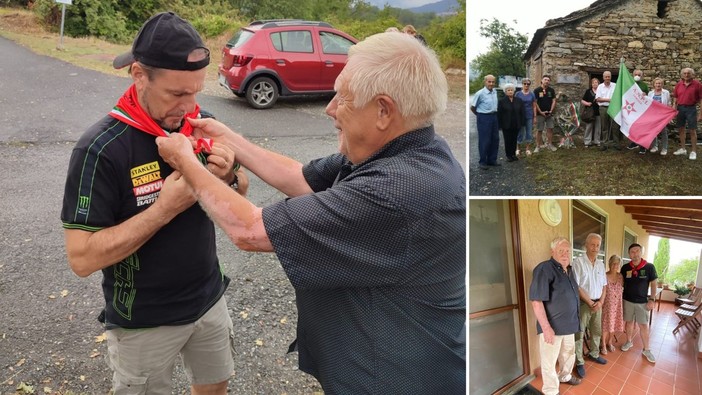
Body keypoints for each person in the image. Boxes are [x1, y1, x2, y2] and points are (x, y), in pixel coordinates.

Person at [155, 32, 466, 394]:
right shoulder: (405, 150)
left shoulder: (400, 191)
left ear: (383, 111)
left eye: (343, 98)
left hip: (394, 379)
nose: (330, 108)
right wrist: (229, 137)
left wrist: (185, 161)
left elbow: (250, 230)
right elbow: (301, 177)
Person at [60, 12, 246, 394]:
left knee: (215, 387)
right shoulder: (100, 149)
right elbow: (81, 258)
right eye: (177, 94)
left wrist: (228, 177)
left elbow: (240, 192)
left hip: (209, 299)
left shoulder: (198, 123)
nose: (189, 106)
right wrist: (164, 209)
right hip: (143, 320)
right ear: (139, 76)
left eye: (196, 92)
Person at [529, 237, 582, 395]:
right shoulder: (544, 269)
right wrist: (546, 328)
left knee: (568, 353)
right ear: (552, 252)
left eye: (567, 251)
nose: (565, 254)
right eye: (561, 251)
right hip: (552, 327)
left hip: (570, 325)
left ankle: (565, 376)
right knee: (549, 361)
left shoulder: (569, 270)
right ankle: (551, 391)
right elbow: (536, 301)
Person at [572, 234, 608, 378]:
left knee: (597, 331)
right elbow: (577, 286)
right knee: (579, 333)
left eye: (598, 245)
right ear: (586, 245)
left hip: (598, 303)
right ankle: (579, 362)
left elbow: (604, 286)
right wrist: (590, 302)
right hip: (584, 303)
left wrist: (600, 302)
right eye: (592, 245)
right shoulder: (578, 262)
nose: (595, 248)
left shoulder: (600, 264)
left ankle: (594, 354)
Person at [620, 244, 658, 363]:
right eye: (632, 252)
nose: (635, 254)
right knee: (629, 322)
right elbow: (621, 282)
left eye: (637, 251)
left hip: (642, 302)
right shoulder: (625, 267)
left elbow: (653, 284)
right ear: (629, 254)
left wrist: (652, 299)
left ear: (641, 252)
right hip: (627, 300)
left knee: (643, 325)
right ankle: (629, 341)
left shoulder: (649, 267)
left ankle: (646, 349)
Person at [671, 67, 702, 160]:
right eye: (684, 73)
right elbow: (675, 97)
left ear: (692, 74)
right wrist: (674, 107)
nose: (686, 75)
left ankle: (693, 151)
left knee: (692, 130)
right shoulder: (679, 84)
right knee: (681, 129)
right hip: (680, 108)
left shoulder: (697, 85)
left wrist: (701, 114)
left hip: (691, 109)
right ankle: (683, 148)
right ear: (682, 74)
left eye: (688, 73)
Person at [471, 74, 500, 169]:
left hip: (494, 117)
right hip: (484, 117)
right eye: (489, 81)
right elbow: (473, 107)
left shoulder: (494, 92)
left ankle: (492, 160)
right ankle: (482, 162)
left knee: (495, 139)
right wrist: (480, 116)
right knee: (485, 140)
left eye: (493, 82)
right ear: (485, 82)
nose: (491, 84)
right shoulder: (480, 93)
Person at [601, 255, 624, 355]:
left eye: (617, 264)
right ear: (610, 264)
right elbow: (603, 291)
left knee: (614, 324)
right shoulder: (604, 276)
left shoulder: (620, 276)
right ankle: (603, 344)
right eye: (613, 263)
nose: (615, 265)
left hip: (617, 305)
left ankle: (610, 342)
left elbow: (621, 289)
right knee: (606, 325)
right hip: (607, 305)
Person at [497, 83, 526, 162]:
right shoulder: (502, 101)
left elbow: (522, 112)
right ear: (505, 92)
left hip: (516, 124)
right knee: (507, 140)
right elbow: (499, 114)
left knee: (514, 140)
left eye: (511, 90)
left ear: (514, 91)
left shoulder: (519, 101)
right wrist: (499, 125)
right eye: (508, 90)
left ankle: (513, 154)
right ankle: (508, 155)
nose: (510, 92)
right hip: (506, 124)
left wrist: (522, 122)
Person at [596, 70, 621, 151]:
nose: (607, 78)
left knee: (615, 126)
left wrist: (605, 99)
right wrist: (610, 100)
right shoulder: (600, 86)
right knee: (604, 127)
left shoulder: (615, 85)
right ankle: (605, 144)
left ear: (611, 77)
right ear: (603, 77)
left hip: (614, 108)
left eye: (609, 76)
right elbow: (598, 99)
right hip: (603, 108)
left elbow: (618, 97)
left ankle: (616, 144)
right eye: (606, 77)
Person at [648, 77, 673, 155]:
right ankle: (654, 146)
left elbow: (669, 104)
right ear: (654, 84)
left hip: (663, 115)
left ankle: (664, 148)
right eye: (656, 83)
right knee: (653, 131)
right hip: (653, 115)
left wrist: (669, 116)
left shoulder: (666, 92)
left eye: (660, 83)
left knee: (663, 131)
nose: (658, 85)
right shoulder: (650, 93)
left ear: (662, 84)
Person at [533, 75, 557, 152]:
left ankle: (550, 144)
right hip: (540, 114)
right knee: (539, 130)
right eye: (545, 79)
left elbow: (554, 101)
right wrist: (540, 112)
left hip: (549, 114)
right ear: (542, 80)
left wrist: (551, 110)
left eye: (548, 80)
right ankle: (538, 146)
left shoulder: (551, 90)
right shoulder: (537, 90)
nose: (547, 81)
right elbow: (535, 103)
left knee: (550, 129)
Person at [629, 69, 651, 152]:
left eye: (639, 75)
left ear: (641, 76)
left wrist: (645, 95)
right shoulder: (629, 84)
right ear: (633, 75)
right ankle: (634, 142)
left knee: (642, 127)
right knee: (634, 126)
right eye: (635, 74)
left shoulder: (644, 85)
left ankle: (642, 145)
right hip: (631, 108)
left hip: (641, 109)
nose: (637, 76)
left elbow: (648, 97)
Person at [515, 78, 536, 156]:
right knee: (520, 132)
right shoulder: (518, 94)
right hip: (520, 116)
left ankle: (527, 148)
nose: (526, 85)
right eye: (525, 84)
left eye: (528, 84)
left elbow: (534, 106)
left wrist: (535, 116)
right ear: (522, 84)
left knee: (529, 132)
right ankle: (518, 148)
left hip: (529, 115)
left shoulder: (532, 94)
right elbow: (515, 105)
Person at [581, 77, 601, 147]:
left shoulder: (601, 91)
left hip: (598, 112)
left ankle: (597, 141)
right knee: (589, 127)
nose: (595, 84)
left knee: (598, 128)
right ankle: (587, 142)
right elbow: (582, 101)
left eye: (596, 82)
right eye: (593, 83)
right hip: (590, 112)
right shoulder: (588, 91)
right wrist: (587, 103)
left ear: (598, 84)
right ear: (591, 84)